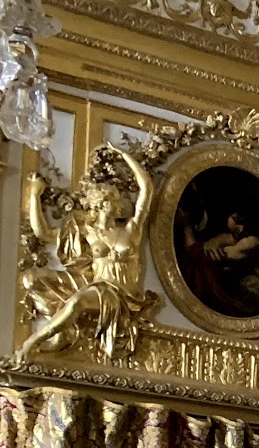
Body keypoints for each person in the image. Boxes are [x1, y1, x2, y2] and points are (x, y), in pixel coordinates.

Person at [20, 148, 160, 360]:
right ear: (101, 203)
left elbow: (146, 188)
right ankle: (55, 335)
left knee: (77, 302)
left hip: (126, 294)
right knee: (33, 278)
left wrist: (123, 154)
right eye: (113, 199)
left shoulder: (131, 229)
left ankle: (33, 341)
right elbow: (44, 233)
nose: (119, 203)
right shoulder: (87, 232)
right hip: (100, 286)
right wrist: (34, 196)